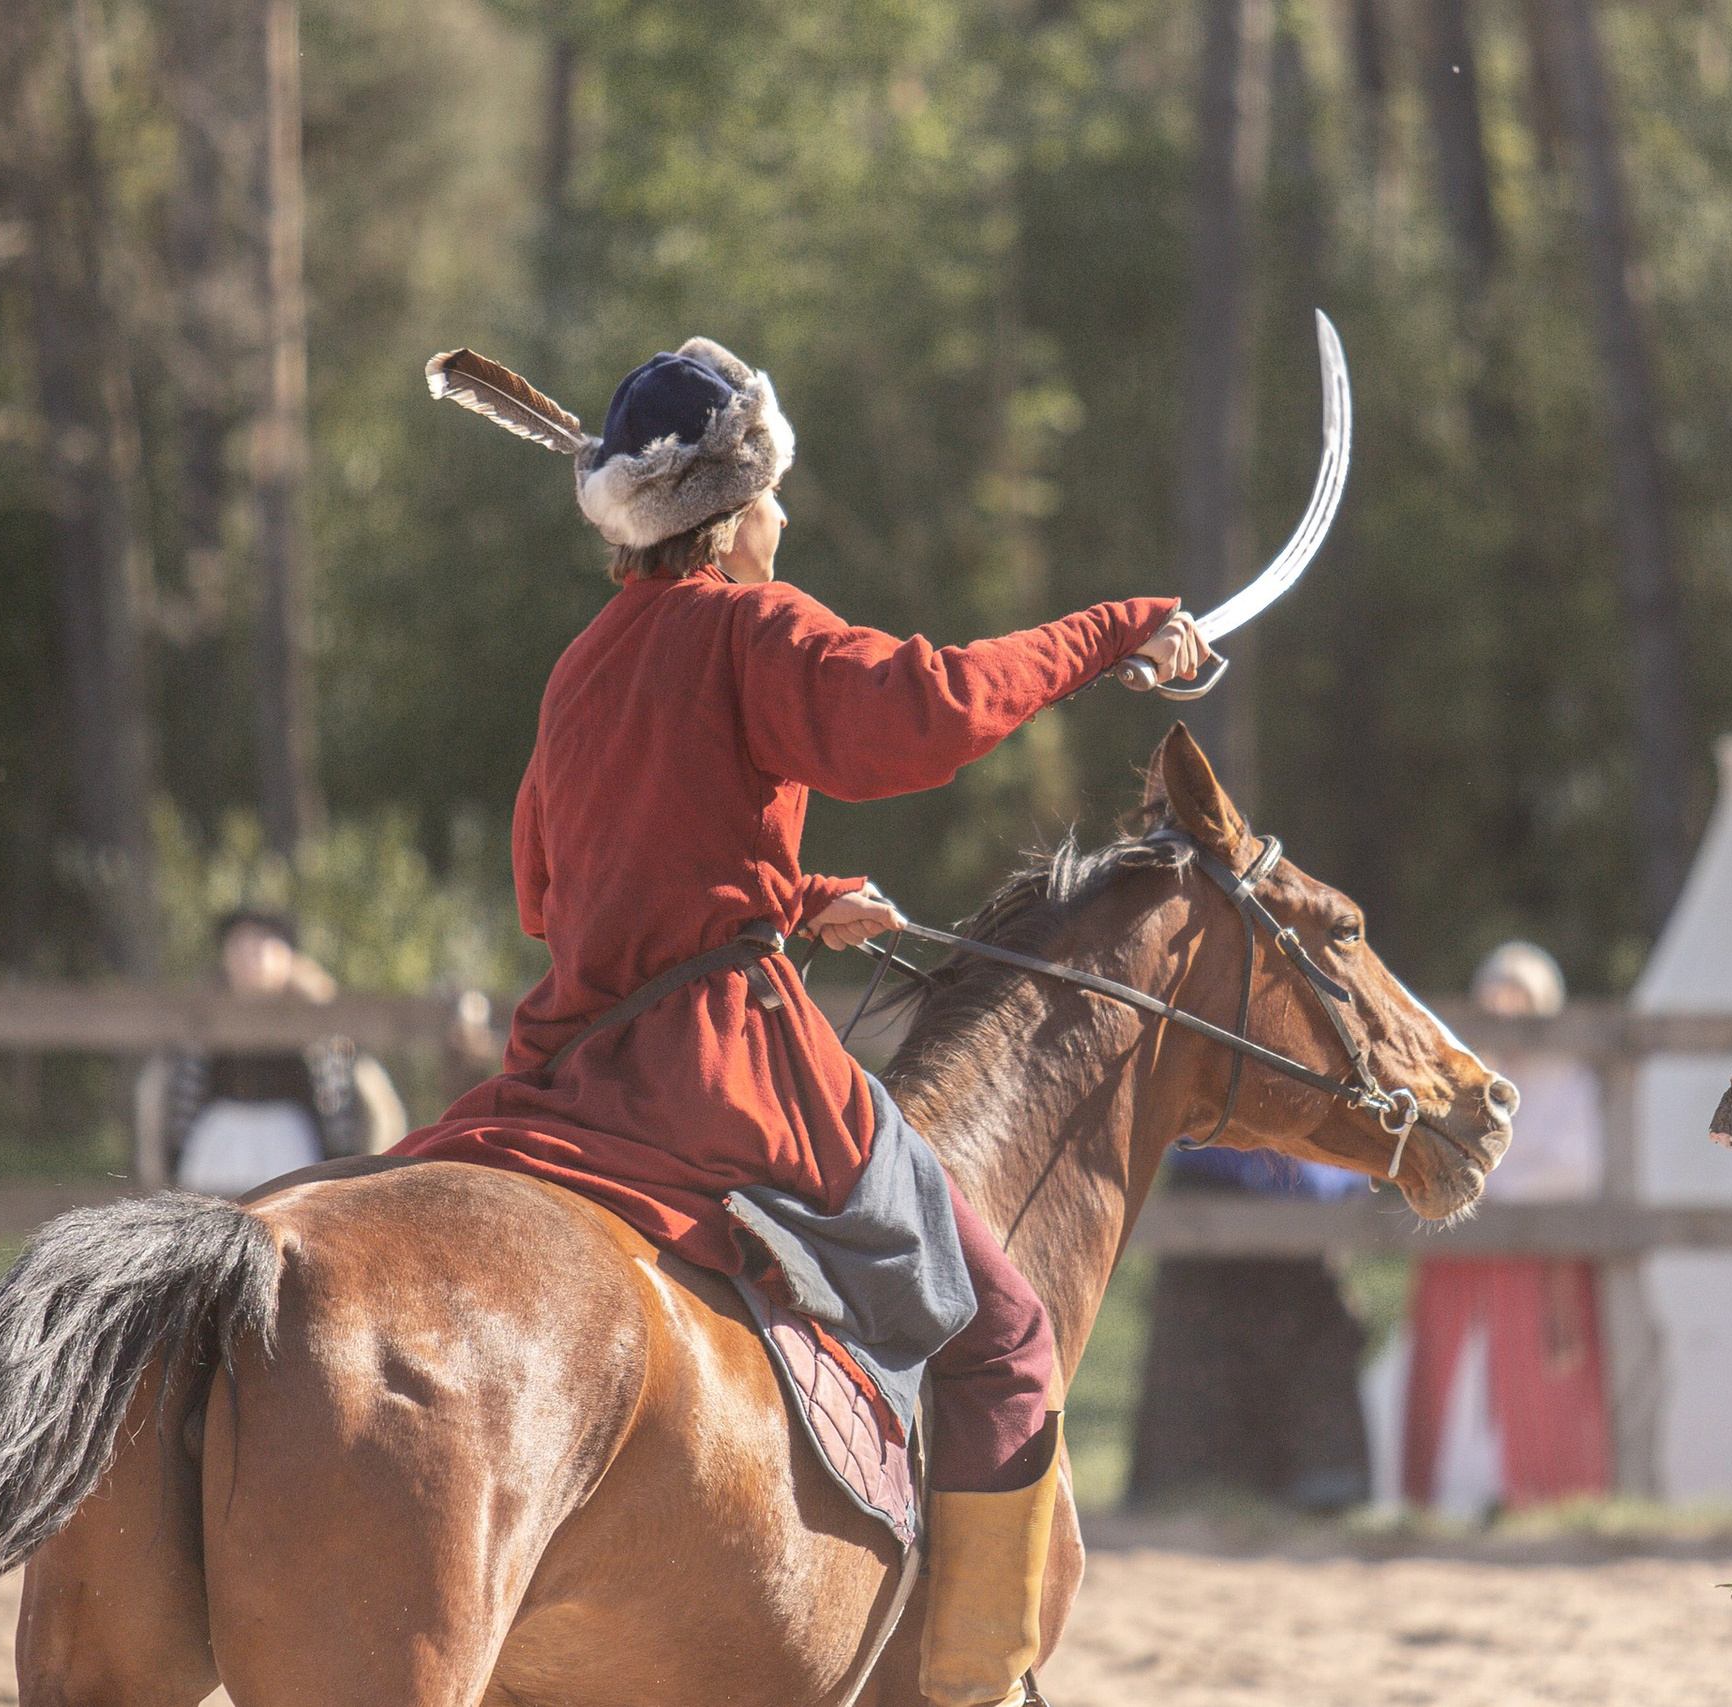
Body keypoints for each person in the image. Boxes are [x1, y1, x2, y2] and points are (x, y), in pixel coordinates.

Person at [395, 336, 1209, 1707]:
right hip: (723, 1070)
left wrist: (788, 892)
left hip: (571, 1061)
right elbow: (925, 714)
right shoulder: (749, 623)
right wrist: (1112, 628)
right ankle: (970, 1682)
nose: (788, 520)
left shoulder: (583, 663)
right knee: (1006, 1330)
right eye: (775, 496)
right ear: (728, 511)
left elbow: (557, 889)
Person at [1397, 939, 1610, 1516]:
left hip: (1538, 1259)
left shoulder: (1568, 1078)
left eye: (1521, 1002)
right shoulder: (1462, 1079)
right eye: (1498, 1001)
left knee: (1535, 1384)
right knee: (1451, 1376)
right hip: (1459, 1252)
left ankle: (1537, 1496)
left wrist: (1487, 1187)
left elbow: (1576, 1167)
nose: (1508, 1015)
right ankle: (1440, 1499)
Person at [1125, 1145, 1373, 1513]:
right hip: (1214, 1194)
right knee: (1197, 1351)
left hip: (1306, 1210)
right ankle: (1184, 1487)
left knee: (1308, 1348)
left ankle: (1318, 1485)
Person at [134, 910, 406, 1196]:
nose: (250, 958)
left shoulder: (325, 1027)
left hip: (294, 1149)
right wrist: (157, 1172)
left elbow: (376, 1106)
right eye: (240, 948)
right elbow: (159, 1098)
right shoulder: (197, 1021)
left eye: (261, 946)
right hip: (217, 1148)